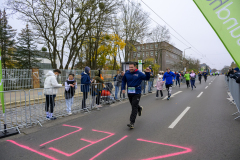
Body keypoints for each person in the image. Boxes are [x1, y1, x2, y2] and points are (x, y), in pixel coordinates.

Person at [122, 63, 150, 129]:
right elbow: (123, 81)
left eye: (132, 67)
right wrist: (123, 88)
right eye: (129, 67)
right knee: (133, 105)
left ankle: (132, 122)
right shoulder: (127, 73)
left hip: (137, 92)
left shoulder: (139, 73)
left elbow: (147, 78)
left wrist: (147, 73)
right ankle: (139, 108)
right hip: (130, 92)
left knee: (134, 107)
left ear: (135, 67)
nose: (130, 69)